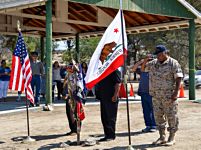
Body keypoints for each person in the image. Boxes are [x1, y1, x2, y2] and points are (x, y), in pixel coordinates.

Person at [143, 45, 183, 146]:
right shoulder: (153, 63)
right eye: (157, 54)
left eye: (160, 54)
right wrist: (145, 60)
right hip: (156, 96)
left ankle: (172, 137)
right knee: (158, 117)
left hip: (169, 96)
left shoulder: (173, 63)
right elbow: (143, 69)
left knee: (171, 116)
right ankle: (162, 137)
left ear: (165, 52)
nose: (159, 56)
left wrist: (175, 93)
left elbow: (178, 78)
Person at [132, 59, 156, 133]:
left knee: (153, 110)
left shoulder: (154, 72)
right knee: (146, 110)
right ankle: (148, 125)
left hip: (152, 93)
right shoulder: (142, 71)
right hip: (143, 93)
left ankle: (154, 125)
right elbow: (133, 69)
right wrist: (141, 61)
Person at [62, 62, 85, 136]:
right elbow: (65, 85)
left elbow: (80, 86)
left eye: (70, 67)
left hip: (76, 96)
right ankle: (72, 129)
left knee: (76, 113)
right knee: (69, 113)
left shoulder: (77, 76)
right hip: (69, 96)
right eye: (68, 67)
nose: (68, 69)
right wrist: (64, 94)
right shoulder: (67, 75)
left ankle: (77, 129)